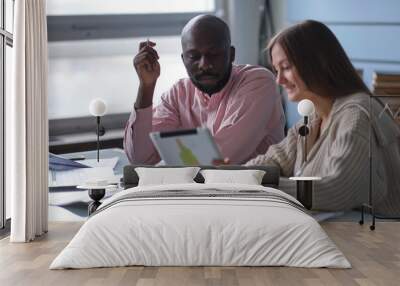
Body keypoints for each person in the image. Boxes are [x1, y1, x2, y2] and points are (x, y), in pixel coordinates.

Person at [246, 20, 400, 215]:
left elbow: (339, 189)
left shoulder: (357, 115)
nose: (279, 80)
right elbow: (276, 160)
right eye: (276, 70)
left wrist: (260, 188)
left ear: (317, 63)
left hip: (375, 241)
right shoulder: (313, 118)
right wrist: (233, 178)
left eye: (285, 67)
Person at [124, 14, 285, 165]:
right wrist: (146, 87)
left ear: (231, 54)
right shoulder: (178, 94)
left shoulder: (258, 82)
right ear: (184, 59)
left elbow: (222, 157)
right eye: (194, 56)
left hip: (257, 191)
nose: (204, 64)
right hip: (199, 189)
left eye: (213, 54)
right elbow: (140, 159)